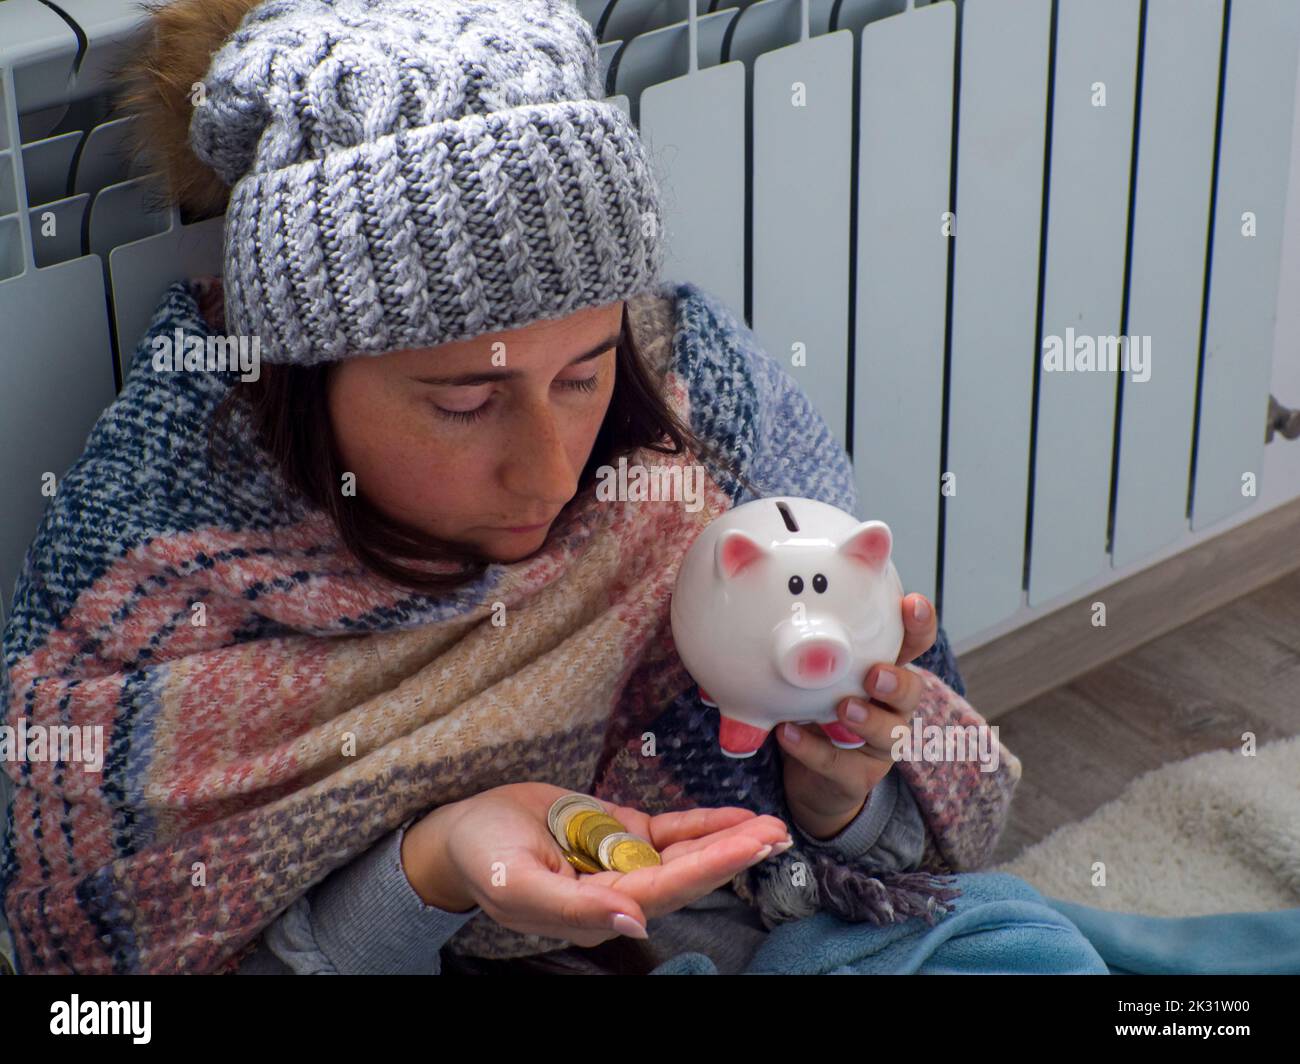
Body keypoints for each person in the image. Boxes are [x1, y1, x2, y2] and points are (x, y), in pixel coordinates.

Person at [0, 0, 1093, 976]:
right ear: (304, 379)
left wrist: (833, 795)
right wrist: (432, 865)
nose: (551, 466)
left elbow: (909, 854)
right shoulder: (155, 568)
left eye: (582, 374)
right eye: (463, 404)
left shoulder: (697, 386)